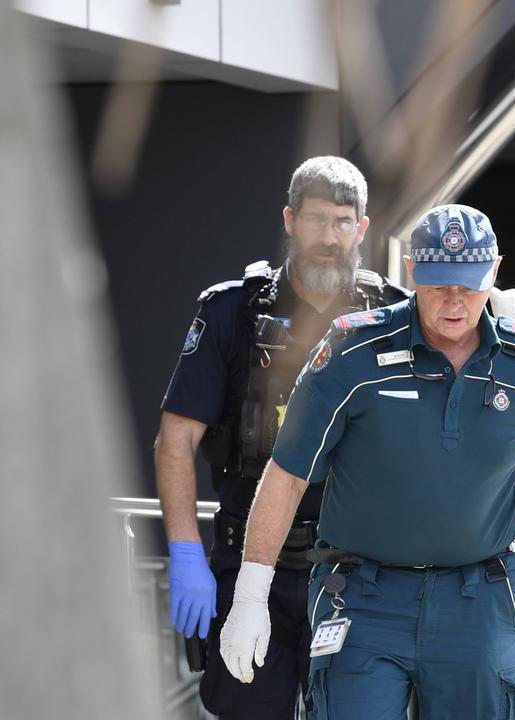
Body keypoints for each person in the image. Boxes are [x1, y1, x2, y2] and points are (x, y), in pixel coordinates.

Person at [216, 203, 515, 719]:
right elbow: (287, 473)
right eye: (439, 284)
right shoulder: (352, 353)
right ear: (412, 275)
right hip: (362, 597)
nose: (454, 301)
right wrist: (251, 594)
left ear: (494, 273)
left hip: (479, 598)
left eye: (469, 285)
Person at [155, 156, 409, 718]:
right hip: (249, 567)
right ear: (290, 220)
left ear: (363, 229)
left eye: (343, 222)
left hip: (362, 579)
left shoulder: (396, 316)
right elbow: (175, 439)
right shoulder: (233, 312)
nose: (329, 237)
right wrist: (185, 551)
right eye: (316, 220)